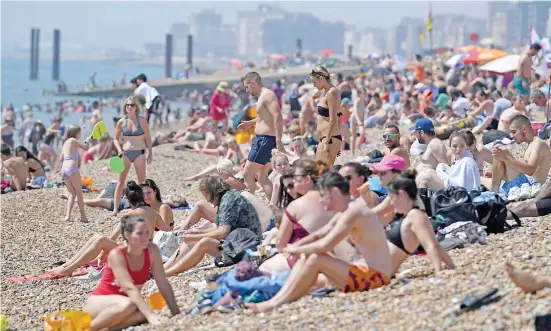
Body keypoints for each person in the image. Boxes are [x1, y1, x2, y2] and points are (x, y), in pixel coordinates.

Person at [247, 172, 392, 313]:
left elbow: (325, 245)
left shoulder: (354, 212)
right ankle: (275, 301)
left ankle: (275, 303)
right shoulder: (346, 211)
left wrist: (293, 250)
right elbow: (319, 234)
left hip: (375, 277)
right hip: (365, 272)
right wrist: (295, 247)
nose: (320, 200)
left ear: (334, 192)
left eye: (323, 195)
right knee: (308, 257)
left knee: (315, 258)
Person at [48, 181, 172, 276]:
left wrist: (101, 254)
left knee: (100, 239)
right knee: (98, 237)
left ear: (128, 200)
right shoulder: (152, 212)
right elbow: (167, 231)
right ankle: (67, 266)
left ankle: (68, 268)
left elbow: (112, 237)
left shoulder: (131, 215)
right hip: (142, 254)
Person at [83, 215, 180, 330]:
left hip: (126, 303)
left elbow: (163, 283)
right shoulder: (117, 254)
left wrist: (176, 313)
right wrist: (151, 316)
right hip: (101, 301)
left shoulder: (152, 250)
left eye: (147, 232)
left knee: (140, 315)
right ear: (127, 235)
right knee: (134, 307)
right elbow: (129, 287)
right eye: (139, 233)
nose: (145, 237)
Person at [165, 175, 262, 277]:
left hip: (244, 248)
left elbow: (223, 232)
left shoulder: (228, 201)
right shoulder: (227, 197)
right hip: (239, 242)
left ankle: (169, 272)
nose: (207, 200)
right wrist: (196, 233)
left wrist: (195, 236)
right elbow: (221, 228)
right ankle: (165, 268)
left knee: (204, 242)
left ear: (211, 191)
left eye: (205, 195)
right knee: (193, 235)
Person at [259, 158, 332, 273]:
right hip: (330, 256)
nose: (291, 187)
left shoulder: (296, 205)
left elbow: (281, 244)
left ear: (307, 179)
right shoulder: (331, 196)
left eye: (295, 181)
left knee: (262, 269)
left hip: (306, 260)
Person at [238, 72, 284, 198]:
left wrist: (279, 140)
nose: (247, 91)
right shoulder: (264, 96)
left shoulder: (267, 95)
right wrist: (251, 123)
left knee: (247, 173)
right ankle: (275, 208)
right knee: (262, 177)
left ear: (253, 83)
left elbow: (278, 116)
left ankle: (249, 206)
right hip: (265, 140)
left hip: (265, 140)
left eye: (247, 87)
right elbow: (265, 117)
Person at [487, 115, 551, 197]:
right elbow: (522, 167)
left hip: (530, 186)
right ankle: (494, 189)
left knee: (502, 151)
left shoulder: (538, 144)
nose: (511, 136)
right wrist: (498, 171)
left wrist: (506, 158)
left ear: (524, 129)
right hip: (522, 182)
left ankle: (494, 193)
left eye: (514, 132)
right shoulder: (531, 144)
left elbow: (530, 170)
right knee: (481, 179)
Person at [113, 96, 153, 215]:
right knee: (120, 182)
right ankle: (115, 209)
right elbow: (115, 139)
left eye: (132, 105)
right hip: (125, 154)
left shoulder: (142, 121)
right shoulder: (121, 121)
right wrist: (119, 149)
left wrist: (150, 153)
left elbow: (148, 138)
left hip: (139, 153)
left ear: (136, 107)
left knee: (142, 182)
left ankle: (143, 206)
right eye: (127, 105)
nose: (129, 107)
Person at [310, 66, 342, 166]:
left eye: (314, 82)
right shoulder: (328, 92)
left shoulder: (332, 92)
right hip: (330, 139)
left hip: (329, 139)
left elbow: (333, 120)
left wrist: (326, 143)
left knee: (321, 172)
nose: (313, 85)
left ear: (322, 79)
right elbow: (339, 116)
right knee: (321, 172)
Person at [58, 125, 89, 222]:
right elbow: (86, 148)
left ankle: (68, 216)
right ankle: (83, 216)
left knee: (71, 193)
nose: (80, 134)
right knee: (79, 193)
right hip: (72, 168)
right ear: (76, 133)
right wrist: (87, 140)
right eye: (79, 133)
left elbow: (61, 158)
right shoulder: (73, 140)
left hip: (64, 169)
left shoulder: (65, 143)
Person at [350, 88, 368, 156]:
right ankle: (352, 153)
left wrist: (362, 121)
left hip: (360, 120)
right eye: (363, 93)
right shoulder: (357, 101)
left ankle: (358, 146)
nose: (365, 95)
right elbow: (355, 112)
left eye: (365, 93)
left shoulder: (363, 101)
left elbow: (362, 112)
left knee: (363, 133)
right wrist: (358, 121)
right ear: (359, 94)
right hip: (354, 119)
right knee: (354, 136)